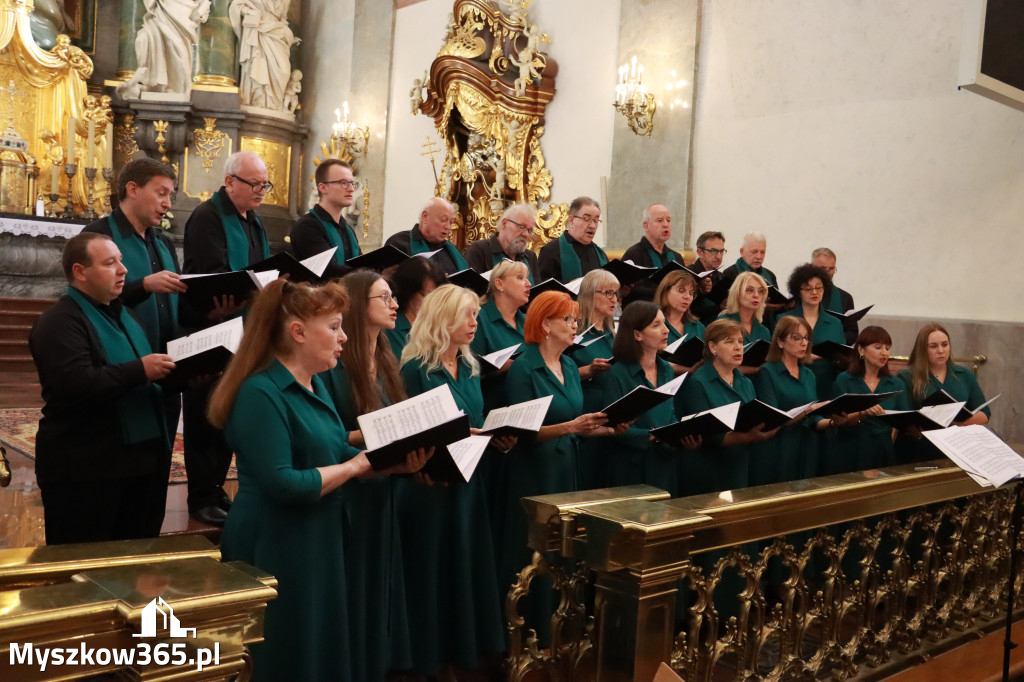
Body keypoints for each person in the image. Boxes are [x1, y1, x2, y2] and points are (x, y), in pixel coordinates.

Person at [208, 278, 429, 682]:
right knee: (284, 650)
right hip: (276, 542)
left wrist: (390, 465)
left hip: (317, 535)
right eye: (334, 327)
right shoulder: (259, 392)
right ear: (297, 332)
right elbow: (284, 483)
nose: (344, 337)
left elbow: (335, 450)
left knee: (318, 646)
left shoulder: (312, 384)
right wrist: (356, 468)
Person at [29, 232, 176, 544]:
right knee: (83, 570)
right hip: (86, 469)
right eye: (110, 263)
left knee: (133, 567)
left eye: (121, 261)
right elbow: (74, 383)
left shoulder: (123, 313)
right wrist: (141, 369)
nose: (123, 270)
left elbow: (139, 377)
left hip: (138, 464)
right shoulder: (59, 322)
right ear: (80, 272)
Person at [397, 284, 512, 679]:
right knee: (431, 570)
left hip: (466, 478)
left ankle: (459, 652)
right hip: (428, 484)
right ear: (442, 319)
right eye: (466, 315)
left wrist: (493, 436)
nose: (474, 323)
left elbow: (471, 420)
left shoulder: (470, 366)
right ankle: (426, 658)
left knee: (462, 566)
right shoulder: (415, 369)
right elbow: (406, 429)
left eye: (476, 316)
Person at [499, 291, 620, 643]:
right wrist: (571, 427)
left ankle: (561, 630)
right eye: (567, 319)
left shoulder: (569, 364)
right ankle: (528, 634)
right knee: (535, 553)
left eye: (575, 320)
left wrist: (601, 429)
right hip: (535, 471)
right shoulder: (524, 367)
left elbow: (574, 420)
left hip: (568, 467)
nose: (574, 326)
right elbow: (521, 432)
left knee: (565, 551)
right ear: (545, 323)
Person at [319, 270, 412, 682]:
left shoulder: (388, 355)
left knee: (379, 577)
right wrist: (381, 429)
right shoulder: (335, 364)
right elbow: (331, 433)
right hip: (350, 484)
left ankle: (376, 662)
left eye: (393, 297)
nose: (394, 304)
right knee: (354, 580)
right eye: (384, 297)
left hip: (384, 481)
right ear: (359, 305)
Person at [182, 149, 272, 526]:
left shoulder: (252, 220)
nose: (261, 191)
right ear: (230, 181)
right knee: (206, 412)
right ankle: (200, 494)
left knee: (228, 410)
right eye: (255, 184)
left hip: (244, 328)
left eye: (265, 184)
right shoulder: (208, 217)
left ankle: (216, 487)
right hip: (210, 328)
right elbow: (210, 275)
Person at [82, 158, 186, 439]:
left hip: (168, 368)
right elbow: (90, 300)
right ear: (132, 189)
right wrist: (144, 286)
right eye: (161, 193)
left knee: (162, 453)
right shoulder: (99, 235)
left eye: (170, 195)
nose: (167, 203)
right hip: (123, 370)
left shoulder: (162, 242)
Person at [674, 319, 778, 496]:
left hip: (739, 464)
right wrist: (751, 436)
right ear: (713, 347)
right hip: (709, 470)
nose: (738, 347)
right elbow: (710, 437)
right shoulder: (698, 383)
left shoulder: (745, 382)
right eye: (729, 342)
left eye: (740, 341)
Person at [600, 301, 680, 494]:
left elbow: (670, 414)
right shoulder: (618, 373)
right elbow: (611, 425)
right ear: (637, 334)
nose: (666, 330)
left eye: (664, 323)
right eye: (656, 325)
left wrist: (679, 434)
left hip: (662, 462)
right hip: (630, 467)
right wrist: (653, 435)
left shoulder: (666, 369)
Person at [752, 316, 837, 485]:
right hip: (779, 448)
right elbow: (772, 419)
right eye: (796, 338)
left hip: (806, 447)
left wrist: (832, 422)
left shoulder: (808, 375)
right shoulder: (767, 372)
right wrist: (808, 411)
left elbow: (814, 420)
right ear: (780, 342)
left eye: (806, 338)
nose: (803, 343)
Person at [895, 323, 991, 464]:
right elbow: (903, 417)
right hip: (919, 448)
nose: (941, 350)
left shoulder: (964, 375)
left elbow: (984, 413)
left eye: (945, 345)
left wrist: (958, 425)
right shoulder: (907, 376)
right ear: (922, 349)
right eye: (933, 346)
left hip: (956, 445)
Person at [567, 269, 619, 490]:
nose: (614, 299)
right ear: (589, 294)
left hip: (611, 416)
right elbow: (558, 374)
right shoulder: (574, 331)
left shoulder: (612, 334)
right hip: (585, 413)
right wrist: (588, 370)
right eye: (608, 293)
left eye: (616, 294)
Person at [829, 326, 905, 474]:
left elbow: (902, 420)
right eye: (878, 347)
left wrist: (891, 438)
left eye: (887, 348)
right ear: (861, 350)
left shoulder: (896, 384)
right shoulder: (844, 380)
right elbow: (837, 420)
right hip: (851, 449)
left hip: (883, 451)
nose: (884, 352)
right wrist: (862, 414)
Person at [779, 263, 846, 399]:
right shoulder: (784, 319)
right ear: (798, 291)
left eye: (818, 288)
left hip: (826, 385)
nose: (814, 292)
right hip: (792, 383)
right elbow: (777, 353)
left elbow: (841, 355)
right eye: (808, 289)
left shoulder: (835, 322)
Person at [470, 259, 530, 410]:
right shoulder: (478, 319)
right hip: (494, 407)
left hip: (527, 404)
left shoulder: (528, 321)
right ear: (499, 284)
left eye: (527, 278)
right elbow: (469, 372)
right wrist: (504, 367)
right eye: (520, 278)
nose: (528, 284)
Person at [289, 159, 362, 279]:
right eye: (343, 182)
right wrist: (368, 274)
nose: (351, 189)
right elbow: (328, 270)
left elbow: (358, 263)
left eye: (352, 183)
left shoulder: (348, 229)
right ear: (323, 188)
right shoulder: (307, 226)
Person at [229, 0, 301, 110]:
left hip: (278, 32)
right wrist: (251, 12)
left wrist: (288, 35)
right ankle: (258, 101)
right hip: (259, 28)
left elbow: (283, 19)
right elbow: (237, 4)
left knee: (284, 71)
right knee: (259, 65)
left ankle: (275, 103)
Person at [384, 197, 468, 276]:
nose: (448, 227)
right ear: (425, 216)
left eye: (451, 222)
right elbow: (389, 279)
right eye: (443, 220)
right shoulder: (398, 243)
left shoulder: (452, 251)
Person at [383, 256, 445, 360]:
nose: (433, 302)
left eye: (437, 296)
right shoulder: (392, 326)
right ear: (408, 293)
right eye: (426, 295)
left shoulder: (439, 324)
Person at [621, 204, 684, 305]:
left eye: (668, 220)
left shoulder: (676, 257)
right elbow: (632, 291)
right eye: (659, 220)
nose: (666, 225)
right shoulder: (634, 254)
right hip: (644, 314)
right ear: (646, 226)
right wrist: (665, 293)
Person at [719, 232, 783, 327]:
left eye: (762, 252)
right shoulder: (730, 274)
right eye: (754, 252)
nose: (759, 256)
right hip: (736, 325)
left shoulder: (770, 275)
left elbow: (777, 303)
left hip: (765, 325)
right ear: (742, 252)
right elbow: (725, 305)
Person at [538, 196, 608, 282]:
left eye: (596, 220)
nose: (592, 226)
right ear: (571, 221)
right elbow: (543, 291)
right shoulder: (551, 251)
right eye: (586, 219)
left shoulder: (600, 255)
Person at [464, 203, 540, 283]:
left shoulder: (530, 257)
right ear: (504, 224)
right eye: (521, 227)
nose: (526, 234)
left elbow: (538, 294)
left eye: (530, 230)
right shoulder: (479, 250)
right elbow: (468, 288)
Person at [719, 271, 771, 376]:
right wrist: (756, 370)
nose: (756, 295)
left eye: (760, 291)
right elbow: (719, 366)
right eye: (749, 290)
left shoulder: (764, 331)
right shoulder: (723, 324)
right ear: (737, 293)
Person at [654, 269, 705, 374]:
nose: (687, 297)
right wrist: (688, 370)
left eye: (691, 293)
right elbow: (648, 361)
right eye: (681, 291)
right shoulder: (652, 323)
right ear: (665, 291)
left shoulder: (698, 326)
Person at [812, 247, 858, 345]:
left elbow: (852, 332)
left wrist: (836, 340)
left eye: (831, 268)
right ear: (812, 267)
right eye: (823, 268)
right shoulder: (801, 294)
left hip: (835, 353)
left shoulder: (845, 297)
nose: (828, 273)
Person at [690, 230, 727, 325]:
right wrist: (718, 308)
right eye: (714, 251)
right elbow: (689, 309)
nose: (719, 256)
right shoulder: (688, 274)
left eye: (721, 251)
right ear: (700, 252)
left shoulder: (722, 277)